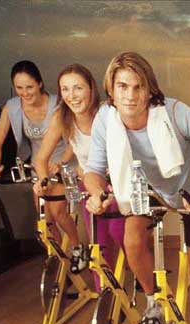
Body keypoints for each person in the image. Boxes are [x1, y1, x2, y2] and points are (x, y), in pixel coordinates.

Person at [83, 52, 190, 324]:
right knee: (132, 241)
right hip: (146, 188)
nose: (130, 95)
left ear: (150, 90)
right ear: (111, 88)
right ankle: (153, 303)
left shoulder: (175, 112)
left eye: (138, 87)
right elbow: (93, 171)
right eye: (123, 86)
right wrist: (96, 193)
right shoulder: (105, 120)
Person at [33, 63, 125, 285]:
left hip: (117, 185)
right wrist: (43, 180)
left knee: (122, 236)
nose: (71, 96)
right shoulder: (62, 118)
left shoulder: (108, 113)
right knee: (98, 246)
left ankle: (146, 282)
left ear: (91, 89)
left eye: (78, 88)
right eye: (65, 89)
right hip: (90, 185)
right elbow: (41, 158)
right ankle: (107, 297)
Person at [0, 60, 80, 264]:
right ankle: (58, 259)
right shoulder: (12, 107)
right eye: (19, 88)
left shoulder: (58, 105)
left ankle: (77, 248)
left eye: (29, 87)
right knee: (44, 221)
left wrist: (61, 162)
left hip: (63, 162)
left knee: (57, 212)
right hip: (39, 166)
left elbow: (75, 138)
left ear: (39, 83)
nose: (25, 93)